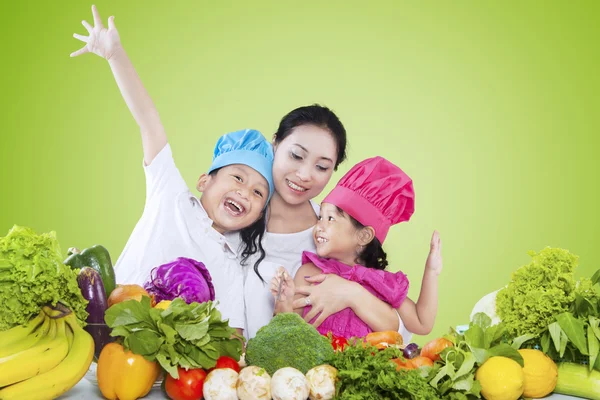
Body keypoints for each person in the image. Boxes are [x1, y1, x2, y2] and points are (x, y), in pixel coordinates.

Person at [70, 5, 274, 332]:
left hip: (160, 368)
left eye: (258, 193)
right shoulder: (172, 197)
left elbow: (233, 334)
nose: (244, 192)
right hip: (100, 337)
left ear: (259, 213)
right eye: (238, 177)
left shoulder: (232, 265)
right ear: (204, 181)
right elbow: (149, 121)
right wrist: (115, 55)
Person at [238, 107, 412, 340]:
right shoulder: (235, 219)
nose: (304, 174)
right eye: (297, 156)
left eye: (321, 167)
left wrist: (351, 293)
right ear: (275, 144)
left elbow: (401, 330)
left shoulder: (336, 233)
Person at [271, 156, 443, 338]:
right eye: (320, 217)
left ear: (364, 236)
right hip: (317, 367)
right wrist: (283, 302)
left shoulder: (382, 284)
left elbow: (422, 323)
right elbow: (289, 332)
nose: (319, 226)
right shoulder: (309, 273)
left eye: (331, 219)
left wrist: (431, 272)